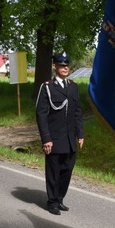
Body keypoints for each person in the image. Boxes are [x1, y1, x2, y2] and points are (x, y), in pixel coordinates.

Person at [35, 52, 84, 215]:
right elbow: (41, 114)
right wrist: (46, 139)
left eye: (67, 65)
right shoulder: (47, 87)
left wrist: (80, 134)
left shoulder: (73, 87)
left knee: (67, 169)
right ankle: (52, 202)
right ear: (54, 66)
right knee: (53, 171)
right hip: (54, 138)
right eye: (61, 65)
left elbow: (77, 112)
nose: (65, 68)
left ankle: (60, 198)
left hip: (70, 138)